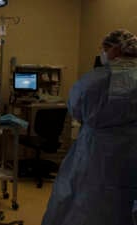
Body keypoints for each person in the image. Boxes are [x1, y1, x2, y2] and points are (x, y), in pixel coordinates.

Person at [41, 29, 137, 225]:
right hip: (130, 151)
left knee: (84, 201)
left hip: (96, 151)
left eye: (104, 49)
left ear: (114, 49)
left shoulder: (97, 80)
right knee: (123, 202)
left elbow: (76, 108)